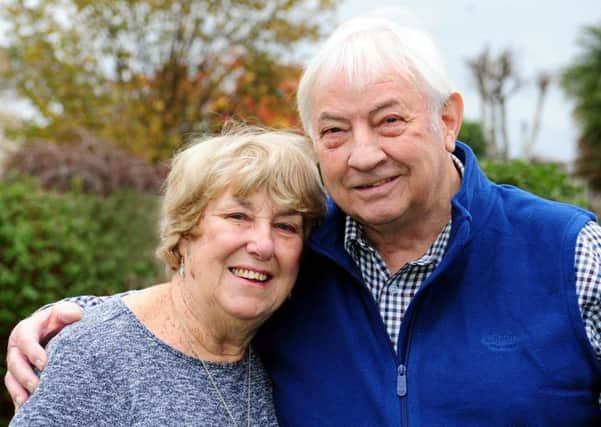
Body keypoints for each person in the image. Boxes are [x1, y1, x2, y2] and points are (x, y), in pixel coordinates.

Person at [6, 10, 601, 426]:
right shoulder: (302, 251)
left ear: (447, 119)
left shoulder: (571, 255)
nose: (364, 155)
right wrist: (77, 325)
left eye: (389, 120)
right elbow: (199, 291)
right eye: (335, 131)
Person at [8, 127, 326, 426]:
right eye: (238, 216)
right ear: (185, 232)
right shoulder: (93, 353)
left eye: (286, 226)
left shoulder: (281, 352)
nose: (262, 245)